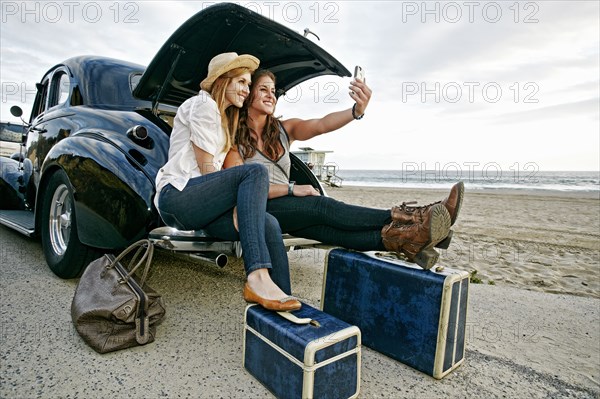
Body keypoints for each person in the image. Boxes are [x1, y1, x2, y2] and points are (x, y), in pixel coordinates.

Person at [225, 69, 464, 270]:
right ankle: (415, 216)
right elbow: (239, 190)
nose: (271, 96)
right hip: (260, 210)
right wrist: (291, 189)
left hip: (291, 211)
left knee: (333, 232)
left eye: (273, 91)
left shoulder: (284, 129)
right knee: (322, 205)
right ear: (247, 95)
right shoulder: (233, 142)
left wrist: (355, 111)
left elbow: (321, 124)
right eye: (263, 89)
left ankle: (408, 238)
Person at [154, 54, 300, 311]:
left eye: (247, 84)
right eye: (242, 82)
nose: (246, 89)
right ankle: (257, 277)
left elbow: (219, 179)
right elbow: (208, 171)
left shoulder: (223, 120)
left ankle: (279, 301)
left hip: (202, 206)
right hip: (177, 197)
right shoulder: (203, 105)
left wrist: (240, 206)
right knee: (255, 173)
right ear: (223, 80)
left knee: (268, 223)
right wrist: (235, 203)